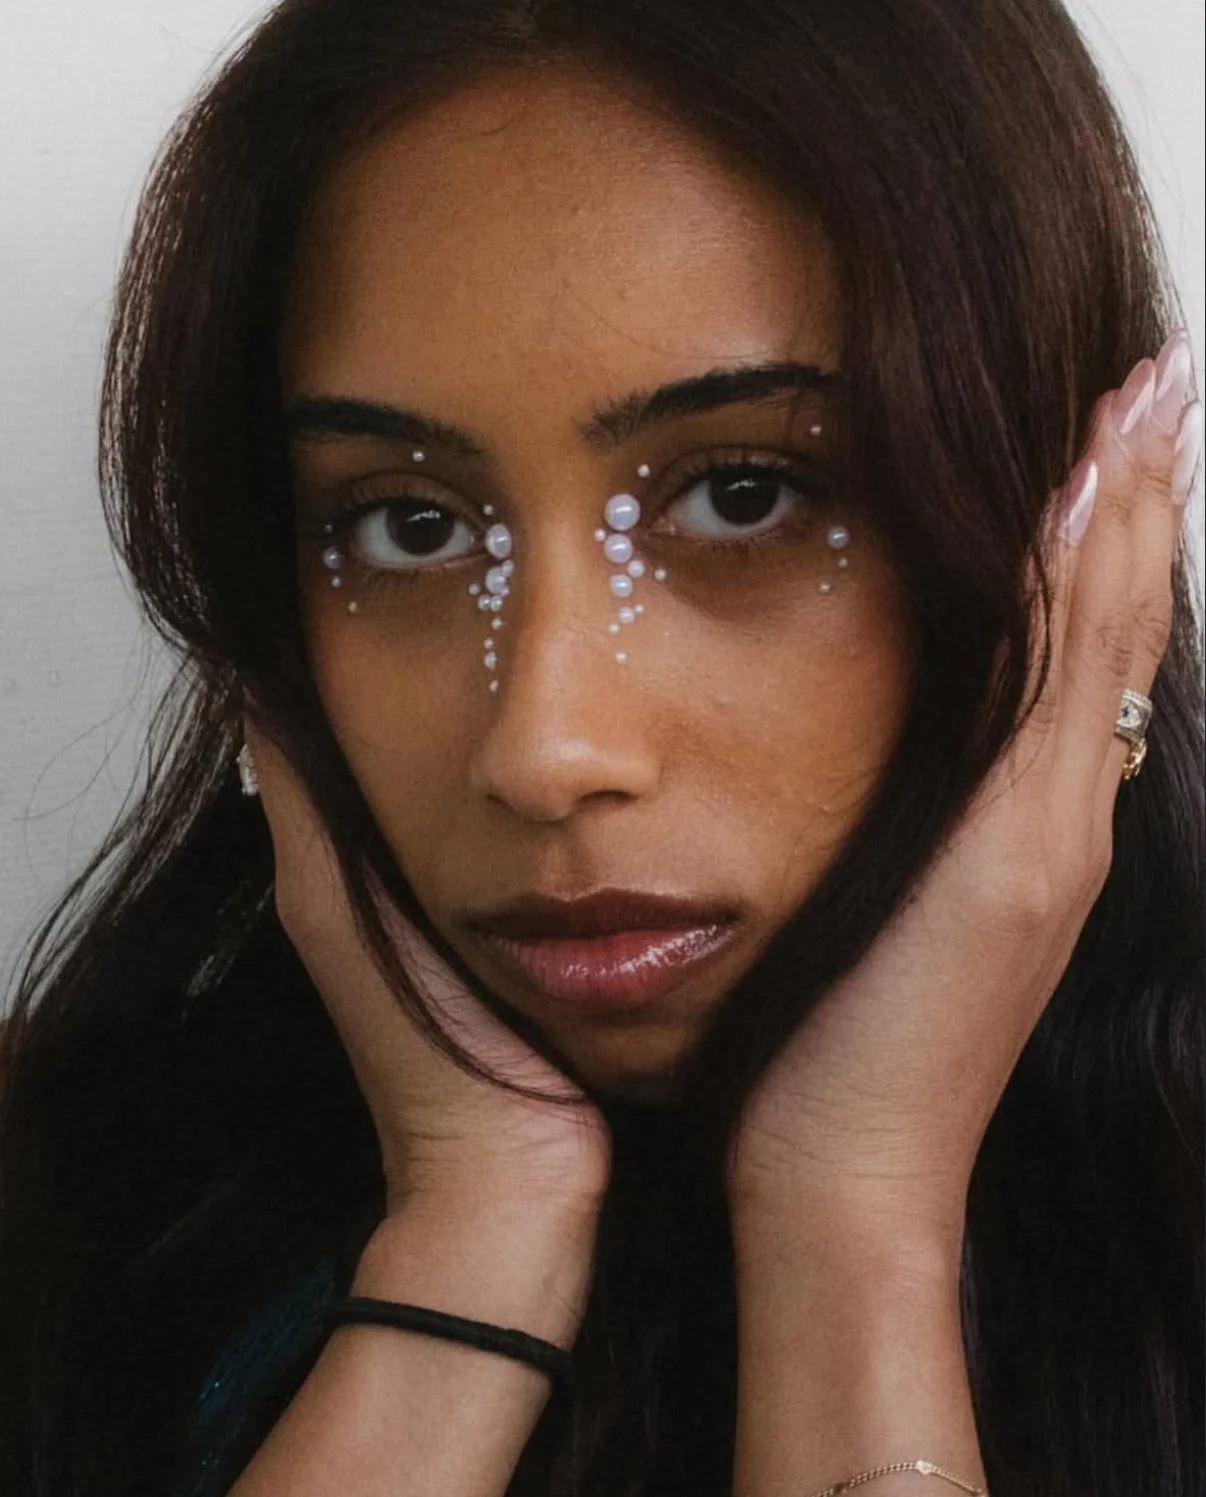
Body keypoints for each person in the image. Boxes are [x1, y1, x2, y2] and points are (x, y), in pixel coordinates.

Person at [0, 1, 1201, 1493]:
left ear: (1061, 531)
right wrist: (467, 1240)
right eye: (409, 525)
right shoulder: (63, 1211)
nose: (545, 750)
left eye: (744, 496)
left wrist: (855, 1222)